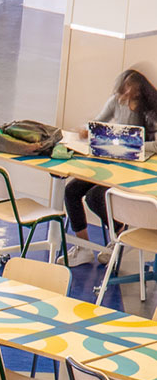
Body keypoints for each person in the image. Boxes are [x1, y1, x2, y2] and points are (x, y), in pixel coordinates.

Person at [64, 68, 157, 266]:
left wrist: (131, 144)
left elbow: (156, 145)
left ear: (139, 94)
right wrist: (85, 131)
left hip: (137, 169)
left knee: (96, 197)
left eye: (128, 93)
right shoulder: (115, 101)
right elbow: (98, 123)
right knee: (71, 191)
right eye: (122, 91)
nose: (123, 97)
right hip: (112, 163)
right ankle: (83, 247)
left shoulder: (151, 111)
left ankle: (118, 234)